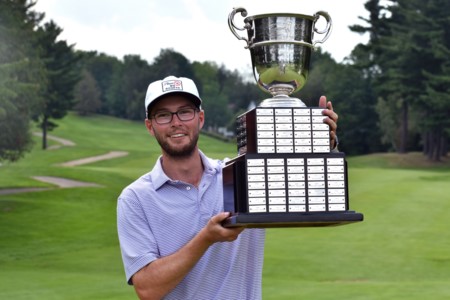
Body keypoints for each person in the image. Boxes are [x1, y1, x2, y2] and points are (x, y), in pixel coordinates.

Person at [117, 75, 339, 300]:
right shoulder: (135, 198)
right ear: (150, 126)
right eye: (163, 115)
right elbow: (147, 289)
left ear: (200, 118)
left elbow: (294, 184)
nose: (176, 122)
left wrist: (315, 143)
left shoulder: (240, 176)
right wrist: (206, 237)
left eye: (185, 111)